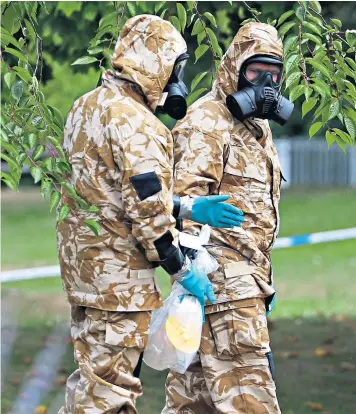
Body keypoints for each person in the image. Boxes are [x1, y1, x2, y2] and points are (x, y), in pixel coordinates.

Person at [57, 14, 244, 414]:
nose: (177, 81)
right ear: (154, 61)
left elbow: (108, 191)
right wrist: (181, 270)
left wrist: (189, 206)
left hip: (84, 275)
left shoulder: (85, 107)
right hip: (121, 286)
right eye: (175, 68)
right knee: (109, 396)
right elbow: (146, 213)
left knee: (90, 386)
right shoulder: (139, 123)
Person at [163, 22, 294, 414]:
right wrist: (186, 275)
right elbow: (182, 202)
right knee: (253, 402)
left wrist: (259, 281)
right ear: (235, 67)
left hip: (245, 283)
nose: (265, 83)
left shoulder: (257, 127)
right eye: (256, 72)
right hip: (220, 287)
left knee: (192, 404)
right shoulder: (208, 121)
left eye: (273, 73)